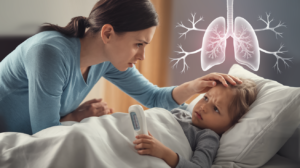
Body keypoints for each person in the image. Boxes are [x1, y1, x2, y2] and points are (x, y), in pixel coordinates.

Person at [0, 0, 241, 135]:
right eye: (138, 44)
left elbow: (154, 97)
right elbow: (45, 133)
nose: (143, 55)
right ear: (107, 33)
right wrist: (74, 116)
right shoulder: (50, 53)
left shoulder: (107, 61)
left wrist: (195, 86)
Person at [133, 77, 257, 168]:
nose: (203, 107)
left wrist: (164, 153)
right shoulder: (181, 113)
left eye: (216, 109)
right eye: (206, 98)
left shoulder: (208, 137)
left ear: (229, 126)